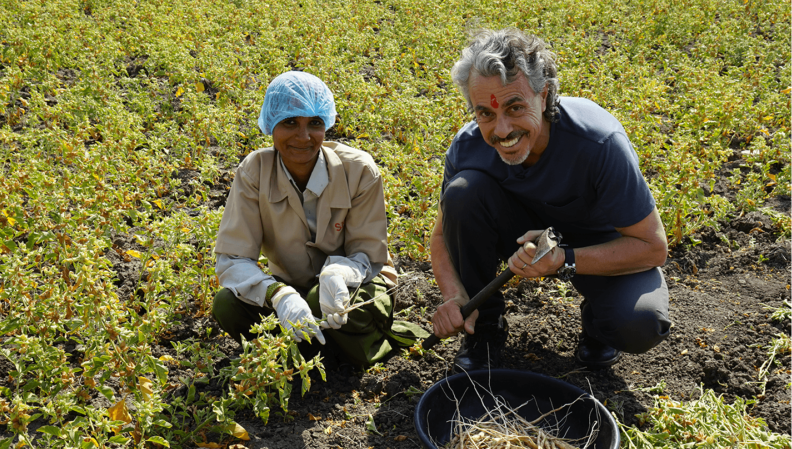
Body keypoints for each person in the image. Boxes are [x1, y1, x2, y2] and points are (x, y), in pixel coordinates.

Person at [430, 29, 671, 373]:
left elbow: (652, 247)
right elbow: (441, 235)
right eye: (484, 113)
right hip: (515, 229)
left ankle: (598, 323)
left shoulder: (598, 143)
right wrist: (455, 295)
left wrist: (563, 259)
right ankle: (484, 329)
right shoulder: (468, 147)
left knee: (638, 323)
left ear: (544, 96)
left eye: (515, 107)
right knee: (462, 193)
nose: (501, 130)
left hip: (598, 243)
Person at [212, 71, 426, 367]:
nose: (303, 137)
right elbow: (233, 259)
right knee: (227, 305)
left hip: (362, 282)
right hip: (295, 287)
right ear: (270, 125)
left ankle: (344, 353)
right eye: (289, 123)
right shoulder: (254, 172)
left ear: (326, 124)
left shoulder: (359, 171)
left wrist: (338, 274)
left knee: (319, 300)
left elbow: (368, 254)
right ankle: (312, 354)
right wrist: (279, 294)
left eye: (314, 123)